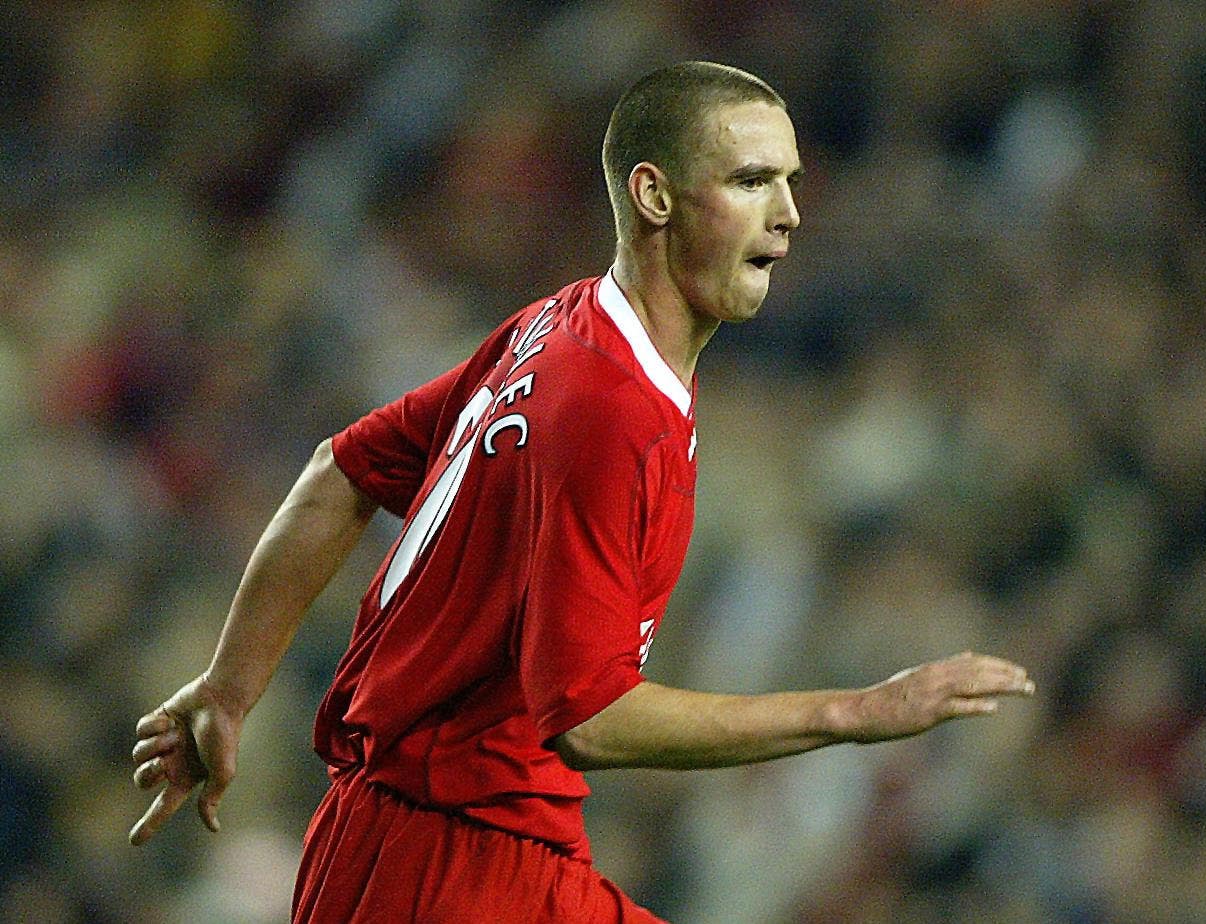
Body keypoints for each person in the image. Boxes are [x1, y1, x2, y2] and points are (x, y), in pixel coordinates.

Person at [129, 61, 1035, 923]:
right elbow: (590, 717)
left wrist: (228, 689)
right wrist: (854, 712)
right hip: (451, 869)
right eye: (754, 180)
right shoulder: (608, 408)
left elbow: (340, 473)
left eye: (791, 181)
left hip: (450, 849)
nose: (791, 214)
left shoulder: (558, 329)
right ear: (654, 195)